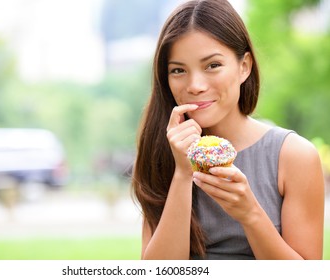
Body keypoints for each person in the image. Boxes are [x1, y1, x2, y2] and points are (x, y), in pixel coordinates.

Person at [132, 0, 324, 260]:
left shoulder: (293, 155)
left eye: (212, 65)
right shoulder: (164, 150)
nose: (195, 85)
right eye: (178, 70)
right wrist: (182, 174)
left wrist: (251, 214)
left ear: (244, 66)